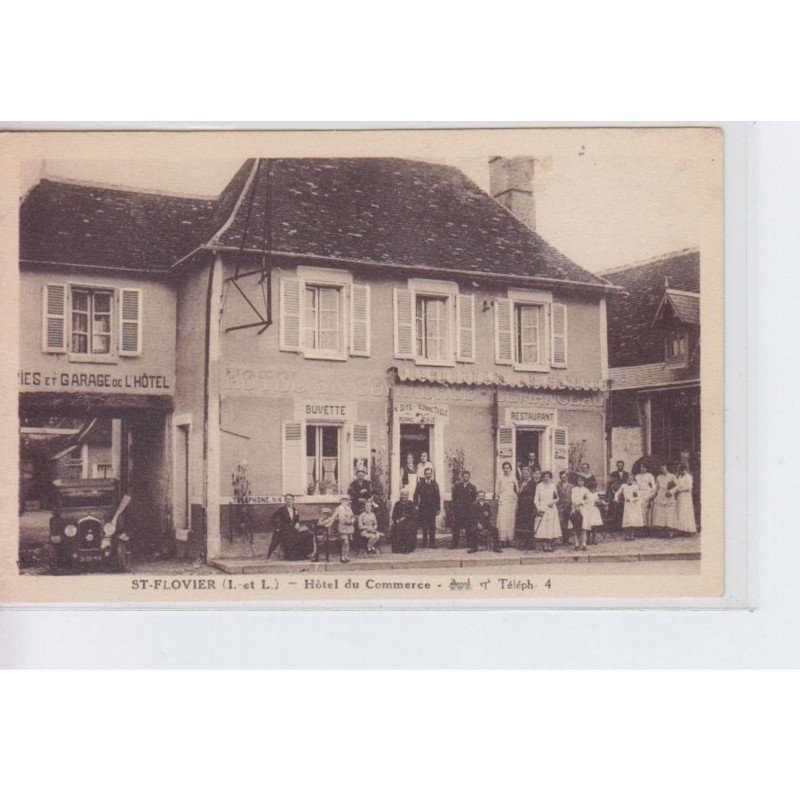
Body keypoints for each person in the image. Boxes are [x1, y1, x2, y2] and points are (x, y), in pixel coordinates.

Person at [267, 494, 316, 561]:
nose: (289, 501)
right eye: (287, 499)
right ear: (285, 500)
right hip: (285, 531)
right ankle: (293, 556)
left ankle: (306, 554)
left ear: (293, 500)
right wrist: (278, 527)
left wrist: (297, 523)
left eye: (291, 499)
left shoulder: (295, 509)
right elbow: (273, 518)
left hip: (293, 529)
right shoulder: (282, 509)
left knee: (308, 535)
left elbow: (297, 519)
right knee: (292, 539)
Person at [413, 466, 441, 548]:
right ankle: (424, 543)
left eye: (430, 473)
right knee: (424, 526)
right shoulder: (420, 484)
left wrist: (438, 508)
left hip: (432, 508)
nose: (428, 475)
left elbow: (437, 497)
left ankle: (432, 543)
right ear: (424, 474)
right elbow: (415, 495)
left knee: (432, 526)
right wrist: (416, 505)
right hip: (423, 508)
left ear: (431, 474)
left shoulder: (435, 484)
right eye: (427, 473)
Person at [533, 471, 561, 552]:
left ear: (550, 477)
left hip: (551, 508)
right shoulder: (539, 486)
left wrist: (553, 502)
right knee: (543, 527)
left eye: (548, 476)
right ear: (542, 477)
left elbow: (557, 498)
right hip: (542, 508)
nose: (546, 478)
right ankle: (545, 545)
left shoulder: (553, 486)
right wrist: (539, 508)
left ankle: (549, 545)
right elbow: (536, 499)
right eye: (545, 476)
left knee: (550, 526)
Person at [450, 469, 478, 549]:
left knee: (468, 527)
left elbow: (473, 498)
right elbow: (454, 497)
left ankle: (469, 544)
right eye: (464, 476)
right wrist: (456, 508)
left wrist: (469, 507)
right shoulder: (457, 486)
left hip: (468, 511)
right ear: (462, 477)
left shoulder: (472, 487)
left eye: (467, 476)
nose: (466, 478)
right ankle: (454, 544)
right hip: (459, 510)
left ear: (469, 477)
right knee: (456, 528)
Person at [495, 461, 518, 547]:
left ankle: (510, 539)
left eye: (507, 468)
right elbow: (497, 490)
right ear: (502, 469)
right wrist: (499, 498)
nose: (506, 469)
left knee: (510, 519)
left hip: (511, 501)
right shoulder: (500, 478)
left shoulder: (513, 478)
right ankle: (502, 539)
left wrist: (515, 498)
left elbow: (517, 489)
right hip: (503, 500)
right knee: (502, 518)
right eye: (504, 468)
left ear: (510, 469)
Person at [614, 473, 644, 541]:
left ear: (633, 479)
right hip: (627, 505)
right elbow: (617, 493)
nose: (630, 480)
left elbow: (638, 496)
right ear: (626, 479)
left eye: (631, 479)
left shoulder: (635, 487)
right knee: (627, 520)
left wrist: (631, 499)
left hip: (634, 505)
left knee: (633, 521)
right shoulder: (623, 486)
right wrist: (616, 498)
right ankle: (627, 535)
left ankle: (632, 535)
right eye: (628, 479)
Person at [651, 463, 678, 537]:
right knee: (661, 513)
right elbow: (656, 487)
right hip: (660, 495)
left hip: (669, 496)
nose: (663, 470)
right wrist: (654, 495)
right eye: (661, 468)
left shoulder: (672, 476)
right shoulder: (659, 477)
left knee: (669, 513)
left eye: (664, 468)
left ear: (667, 468)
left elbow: (678, 485)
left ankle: (670, 531)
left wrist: (671, 492)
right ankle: (663, 531)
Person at [327, 496, 355, 563]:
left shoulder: (349, 509)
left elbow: (353, 517)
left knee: (348, 543)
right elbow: (333, 518)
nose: (345, 502)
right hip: (342, 528)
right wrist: (328, 524)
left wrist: (352, 521)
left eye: (346, 501)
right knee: (345, 542)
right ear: (341, 501)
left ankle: (346, 556)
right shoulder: (338, 509)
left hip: (349, 528)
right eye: (344, 500)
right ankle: (342, 557)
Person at [515, 466, 537, 549]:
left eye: (527, 473)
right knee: (522, 525)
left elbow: (532, 496)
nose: (525, 475)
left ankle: (529, 544)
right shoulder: (522, 482)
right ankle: (523, 543)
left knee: (528, 525)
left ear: (530, 474)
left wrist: (522, 500)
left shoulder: (532, 483)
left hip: (528, 508)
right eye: (524, 473)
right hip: (521, 508)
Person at [569, 475, 592, 551]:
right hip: (575, 508)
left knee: (583, 527)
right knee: (576, 527)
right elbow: (572, 499)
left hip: (583, 509)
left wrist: (581, 503)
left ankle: (584, 543)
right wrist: (575, 507)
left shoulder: (586, 490)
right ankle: (576, 543)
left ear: (584, 482)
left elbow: (588, 499)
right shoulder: (574, 489)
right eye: (579, 481)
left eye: (581, 481)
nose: (580, 482)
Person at [391, 489, 417, 553]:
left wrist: (405, 517)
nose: (404, 496)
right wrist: (397, 519)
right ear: (401, 495)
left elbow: (413, 514)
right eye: (403, 495)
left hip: (409, 521)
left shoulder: (411, 503)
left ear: (408, 496)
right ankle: (397, 548)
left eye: (405, 495)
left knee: (407, 528)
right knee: (395, 527)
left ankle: (407, 548)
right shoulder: (397, 503)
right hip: (399, 521)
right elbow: (394, 514)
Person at [674, 463, 697, 534]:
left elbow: (689, 487)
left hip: (686, 496)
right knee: (680, 511)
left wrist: (680, 490)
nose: (678, 470)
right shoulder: (679, 476)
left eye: (679, 469)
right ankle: (680, 529)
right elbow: (677, 485)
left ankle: (687, 529)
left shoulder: (689, 476)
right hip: (680, 496)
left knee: (685, 511)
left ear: (683, 469)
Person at [607, 460, 629, 531]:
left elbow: (628, 484)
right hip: (615, 494)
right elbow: (609, 484)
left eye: (621, 465)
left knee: (624, 510)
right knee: (616, 510)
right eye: (618, 465)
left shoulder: (627, 474)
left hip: (624, 494)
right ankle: (616, 527)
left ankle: (624, 526)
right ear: (617, 466)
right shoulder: (613, 474)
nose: (619, 467)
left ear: (623, 466)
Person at [634, 463, 656, 530]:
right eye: (641, 467)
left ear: (646, 468)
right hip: (639, 493)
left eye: (644, 467)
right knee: (638, 507)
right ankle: (639, 526)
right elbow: (635, 486)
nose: (642, 468)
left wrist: (651, 495)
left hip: (647, 493)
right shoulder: (637, 476)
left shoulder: (649, 475)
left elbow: (654, 487)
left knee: (646, 508)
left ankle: (647, 526)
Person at [584, 477, 605, 545]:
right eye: (592, 488)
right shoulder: (587, 493)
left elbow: (597, 500)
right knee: (589, 525)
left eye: (595, 488)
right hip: (589, 510)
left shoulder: (595, 494)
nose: (594, 489)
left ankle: (594, 538)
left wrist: (599, 502)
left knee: (595, 525)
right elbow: (585, 501)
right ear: (589, 488)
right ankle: (588, 538)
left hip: (595, 511)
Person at [556, 470, 574, 546]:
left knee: (568, 523)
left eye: (564, 477)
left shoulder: (572, 486)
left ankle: (567, 540)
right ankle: (563, 539)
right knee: (562, 523)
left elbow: (573, 497)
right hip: (560, 507)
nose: (563, 479)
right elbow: (555, 496)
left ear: (567, 477)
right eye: (561, 478)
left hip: (569, 507)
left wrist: (572, 506)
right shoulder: (557, 485)